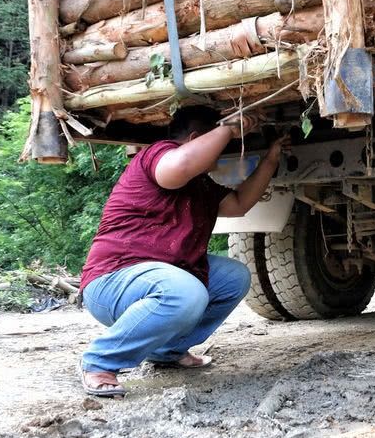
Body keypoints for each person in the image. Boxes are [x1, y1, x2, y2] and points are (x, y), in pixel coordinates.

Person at [78, 106, 287, 397]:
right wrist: (229, 128)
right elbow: (178, 167)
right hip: (113, 283)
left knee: (233, 277)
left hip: (158, 279)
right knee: (187, 293)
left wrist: (271, 159)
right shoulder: (157, 154)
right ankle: (100, 362)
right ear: (195, 138)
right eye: (220, 141)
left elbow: (239, 204)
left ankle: (167, 351)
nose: (224, 149)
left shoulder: (202, 185)